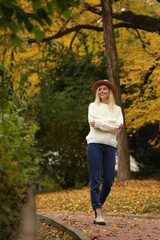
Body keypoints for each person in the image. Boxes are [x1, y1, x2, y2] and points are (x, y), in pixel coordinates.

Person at [86, 79, 124, 225]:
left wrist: (101, 123)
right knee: (95, 180)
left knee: (108, 181)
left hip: (110, 145)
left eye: (105, 89)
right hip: (94, 144)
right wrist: (110, 124)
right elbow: (93, 124)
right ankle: (98, 213)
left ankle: (98, 204)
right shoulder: (92, 106)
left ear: (110, 92)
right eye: (99, 89)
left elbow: (118, 127)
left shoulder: (117, 109)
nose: (102, 91)